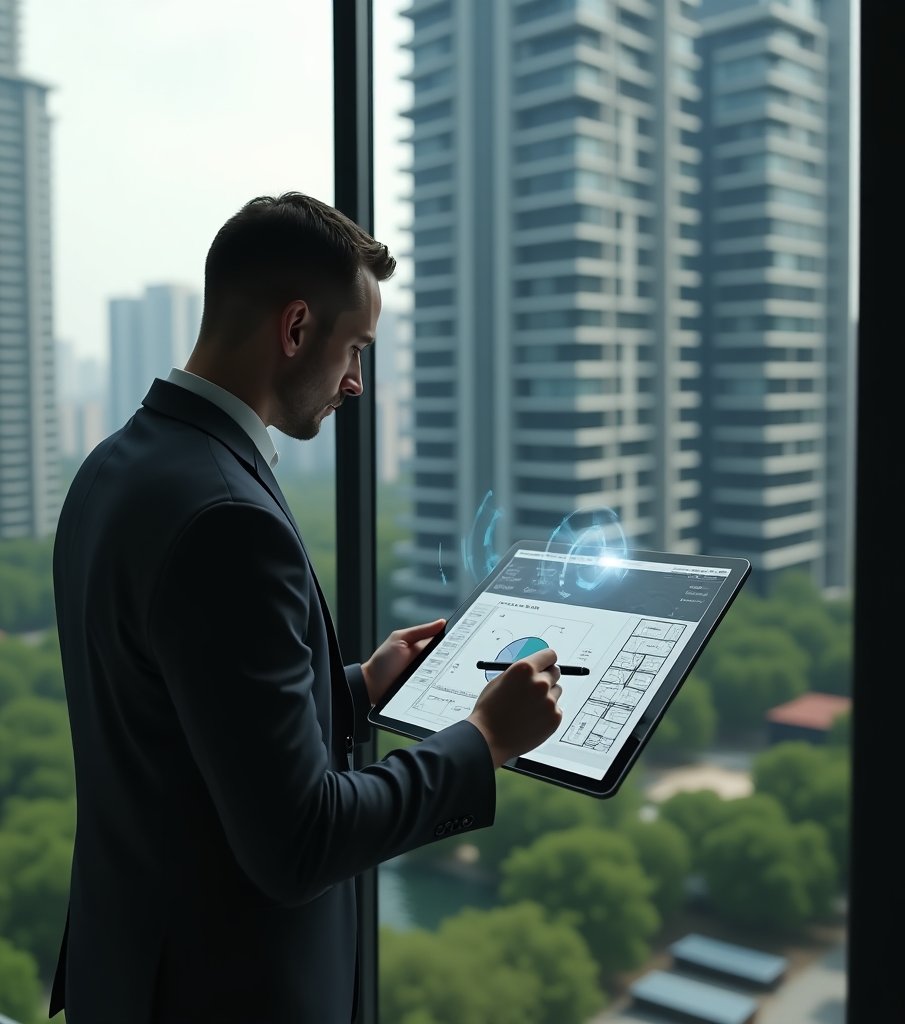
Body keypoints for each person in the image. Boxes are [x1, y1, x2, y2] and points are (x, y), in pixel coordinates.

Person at [50, 193, 563, 1023]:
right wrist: (483, 740)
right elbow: (300, 841)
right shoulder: (228, 519)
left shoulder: (115, 468)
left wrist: (356, 686)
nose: (358, 382)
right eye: (356, 347)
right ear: (295, 330)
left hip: (133, 972)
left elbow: (175, 722)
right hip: (223, 995)